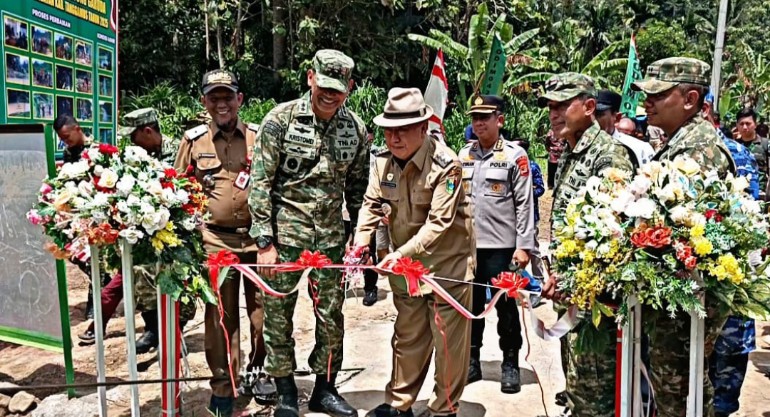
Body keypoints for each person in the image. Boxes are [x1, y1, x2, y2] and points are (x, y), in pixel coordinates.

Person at [249, 49, 369, 417]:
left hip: (331, 240)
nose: (330, 95)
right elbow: (260, 184)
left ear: (349, 88)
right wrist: (264, 242)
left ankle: (325, 388)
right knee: (277, 315)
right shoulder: (279, 121)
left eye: (339, 89)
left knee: (331, 316)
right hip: (284, 239)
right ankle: (285, 390)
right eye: (324, 86)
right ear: (310, 77)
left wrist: (357, 236)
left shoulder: (356, 128)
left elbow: (359, 189)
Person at [353, 87, 474, 417]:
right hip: (405, 271)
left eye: (403, 130)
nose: (394, 138)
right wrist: (361, 243)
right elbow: (371, 204)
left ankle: (443, 409)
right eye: (389, 130)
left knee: (448, 345)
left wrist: (399, 253)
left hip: (446, 270)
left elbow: (439, 223)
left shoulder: (446, 165)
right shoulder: (381, 163)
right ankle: (400, 404)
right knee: (407, 337)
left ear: (423, 128)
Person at [632, 57, 736, 417]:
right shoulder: (681, 142)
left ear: (690, 99)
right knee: (671, 388)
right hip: (673, 297)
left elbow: (678, 229)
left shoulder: (700, 151)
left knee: (679, 392)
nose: (647, 103)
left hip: (688, 300)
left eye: (658, 95)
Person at [539, 72, 635, 417]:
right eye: (550, 106)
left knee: (595, 396)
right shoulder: (571, 151)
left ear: (590, 106)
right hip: (571, 297)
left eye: (563, 105)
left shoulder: (608, 157)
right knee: (578, 388)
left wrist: (571, 280)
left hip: (595, 304)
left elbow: (613, 240)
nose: (553, 114)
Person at [174, 69, 267, 417]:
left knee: (263, 314)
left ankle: (258, 373)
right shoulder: (193, 141)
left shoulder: (259, 136)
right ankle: (224, 386)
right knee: (220, 318)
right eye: (215, 97)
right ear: (204, 102)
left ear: (240, 100)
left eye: (228, 96)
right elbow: (178, 189)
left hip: (259, 238)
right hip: (215, 239)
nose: (222, 103)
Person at [77, 108, 196, 354]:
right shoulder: (136, 156)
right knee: (141, 282)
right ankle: (154, 329)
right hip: (144, 236)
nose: (130, 142)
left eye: (133, 135)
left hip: (177, 235)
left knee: (180, 285)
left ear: (148, 131)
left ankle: (175, 331)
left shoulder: (180, 151)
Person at [456, 95, 535, 393]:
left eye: (485, 117)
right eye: (474, 117)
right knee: (470, 306)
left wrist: (524, 246)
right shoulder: (463, 155)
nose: (478, 122)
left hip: (502, 247)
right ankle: (472, 360)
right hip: (468, 247)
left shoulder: (515, 157)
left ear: (499, 120)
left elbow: (525, 204)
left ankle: (510, 363)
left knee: (506, 307)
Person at [703, 95, 758, 417]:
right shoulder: (669, 154)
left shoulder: (734, 154)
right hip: (684, 302)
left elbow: (745, 226)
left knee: (722, 396)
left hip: (726, 291)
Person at [53, 114, 101, 319]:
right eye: (62, 138)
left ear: (77, 128)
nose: (65, 141)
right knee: (75, 254)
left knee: (95, 260)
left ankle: (95, 304)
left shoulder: (97, 151)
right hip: (76, 212)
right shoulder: (68, 152)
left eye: (67, 136)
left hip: (97, 211)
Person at [514, 138, 546, 307]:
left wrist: (526, 191)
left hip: (530, 217)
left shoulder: (532, 167)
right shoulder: (511, 165)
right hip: (512, 219)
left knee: (532, 250)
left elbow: (541, 189)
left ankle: (538, 283)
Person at [595, 89, 654, 166]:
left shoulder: (640, 149)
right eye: (588, 113)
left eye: (598, 115)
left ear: (617, 117)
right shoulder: (576, 144)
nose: (592, 119)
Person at [735, 108, 769, 199]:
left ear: (755, 124)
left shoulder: (765, 144)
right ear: (737, 125)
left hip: (761, 196)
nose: (745, 127)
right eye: (741, 124)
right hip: (739, 196)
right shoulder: (734, 146)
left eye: (748, 123)